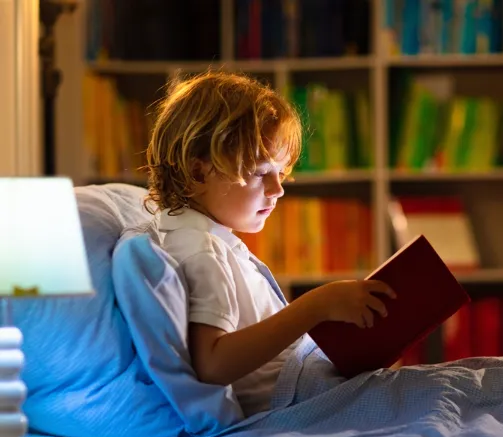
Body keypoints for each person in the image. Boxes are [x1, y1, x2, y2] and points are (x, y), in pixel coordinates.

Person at [141, 71, 396, 416]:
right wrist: (316, 306)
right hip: (294, 398)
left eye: (282, 173)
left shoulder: (206, 239)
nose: (278, 190)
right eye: (261, 173)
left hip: (303, 385)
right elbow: (212, 364)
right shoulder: (201, 250)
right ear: (198, 173)